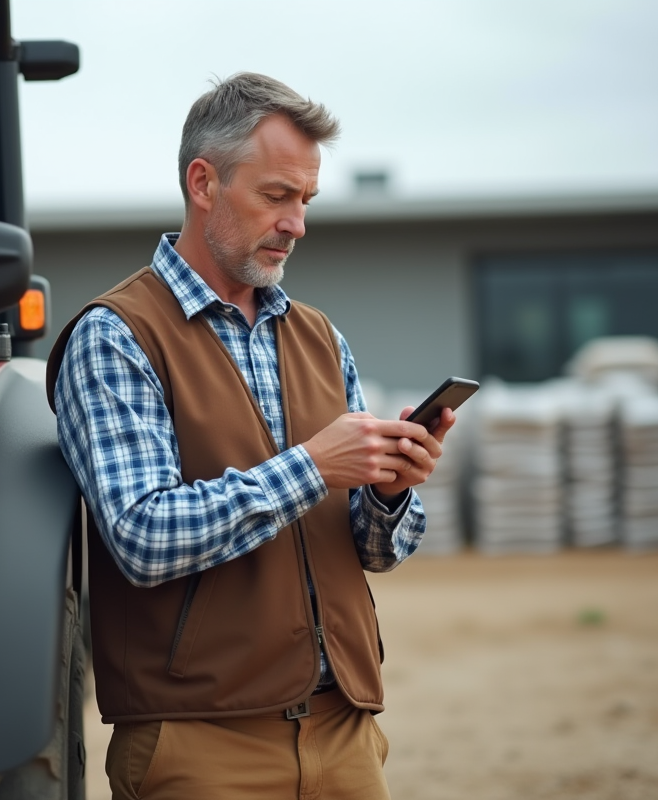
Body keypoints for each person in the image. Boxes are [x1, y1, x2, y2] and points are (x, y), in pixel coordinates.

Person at [46, 72, 455, 800]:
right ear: (203, 183)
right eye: (276, 196)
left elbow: (376, 552)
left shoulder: (321, 337)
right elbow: (141, 536)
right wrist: (310, 466)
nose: (297, 222)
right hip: (200, 746)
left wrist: (390, 495)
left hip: (346, 733)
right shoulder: (115, 336)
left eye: (305, 200)